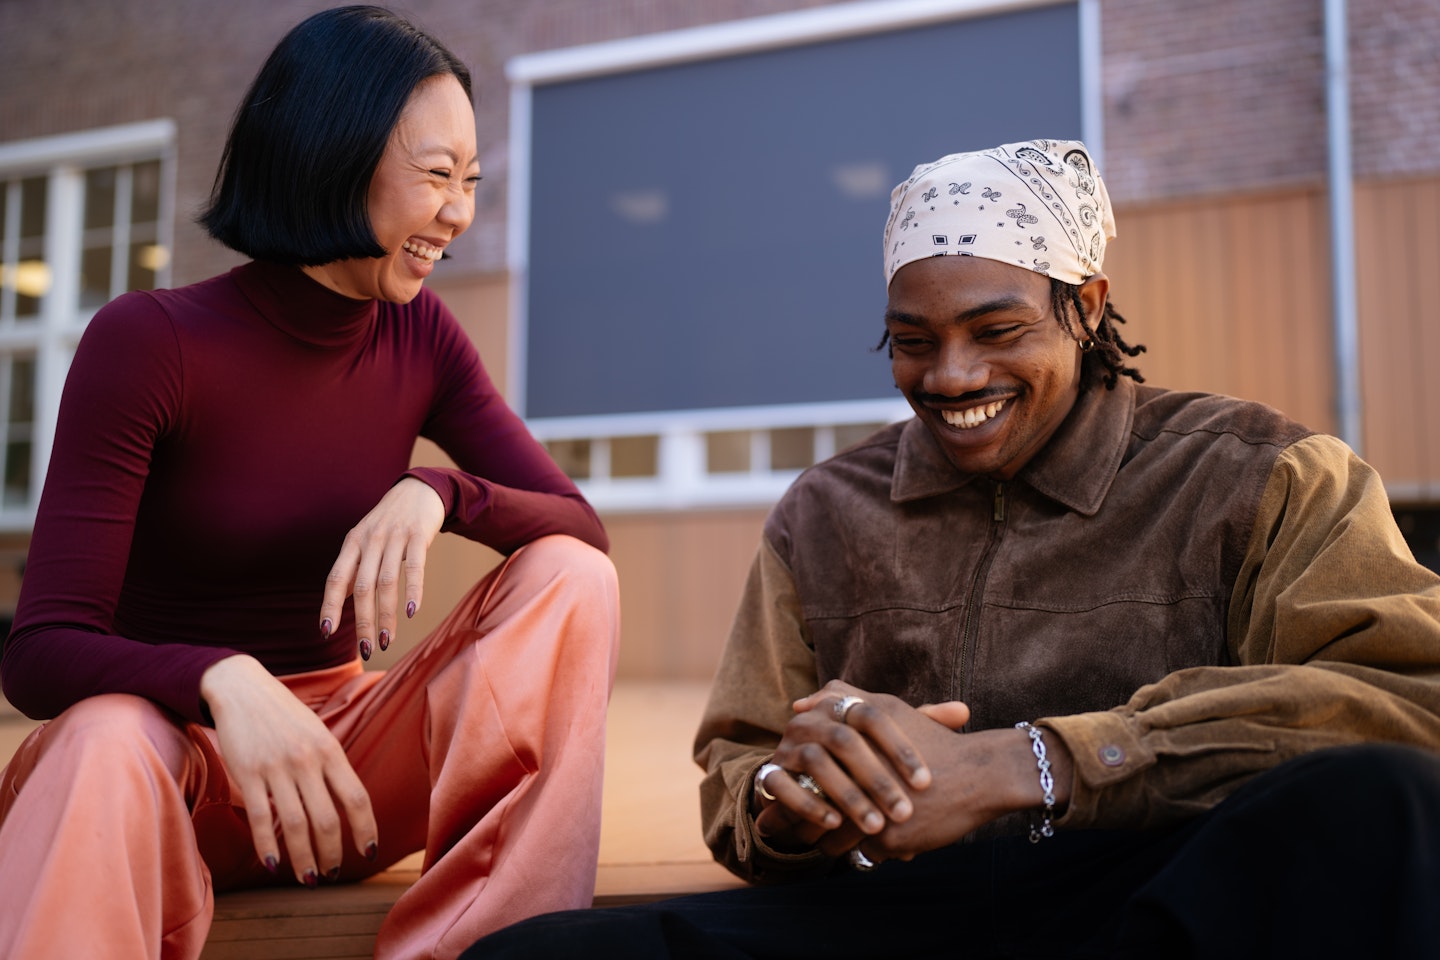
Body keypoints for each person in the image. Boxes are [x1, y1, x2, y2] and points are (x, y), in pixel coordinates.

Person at [460, 139, 1440, 958]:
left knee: (1382, 799)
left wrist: (1033, 764)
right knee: (531, 956)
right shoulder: (825, 513)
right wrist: (787, 804)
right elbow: (740, 771)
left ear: (1088, 306)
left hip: (1162, 895)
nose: (951, 375)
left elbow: (1407, 700)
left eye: (996, 328)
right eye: (911, 340)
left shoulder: (1261, 473)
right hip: (897, 913)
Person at [0, 7, 619, 960]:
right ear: (335, 152)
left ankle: (492, 947)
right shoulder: (149, 342)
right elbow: (40, 654)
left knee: (572, 576)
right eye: (437, 175)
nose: (460, 213)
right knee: (100, 735)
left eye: (472, 182)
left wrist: (440, 492)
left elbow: (583, 531)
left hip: (343, 785)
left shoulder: (421, 335)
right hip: (173, 778)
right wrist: (219, 678)